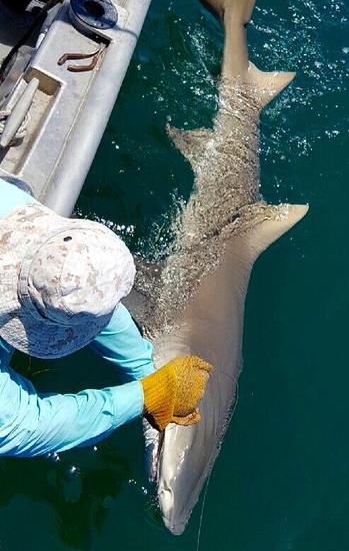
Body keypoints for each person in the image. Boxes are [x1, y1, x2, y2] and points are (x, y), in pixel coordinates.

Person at [0, 177, 212, 457]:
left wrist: (146, 371)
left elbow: (79, 297)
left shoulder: (11, 204)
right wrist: (146, 395)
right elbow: (21, 426)